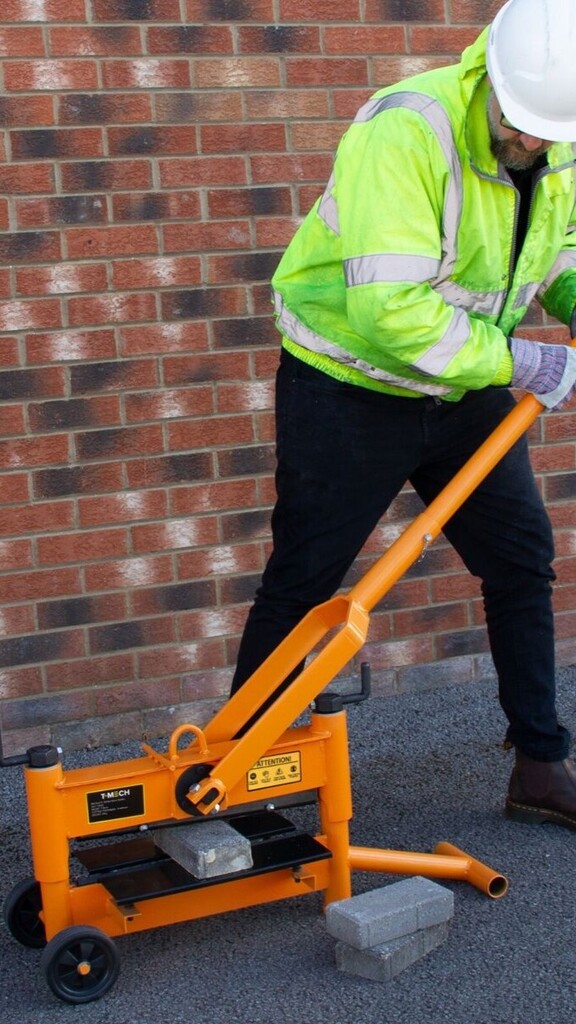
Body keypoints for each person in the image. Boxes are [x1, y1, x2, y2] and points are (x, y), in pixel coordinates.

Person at [230, 0, 576, 830]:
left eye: (547, 135)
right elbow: (391, 310)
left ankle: (540, 763)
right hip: (348, 389)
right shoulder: (406, 131)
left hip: (460, 388)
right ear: (486, 72)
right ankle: (235, 779)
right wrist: (525, 361)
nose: (530, 145)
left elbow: (556, 257)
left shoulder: (560, 140)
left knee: (521, 559)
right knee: (306, 579)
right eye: (520, 126)